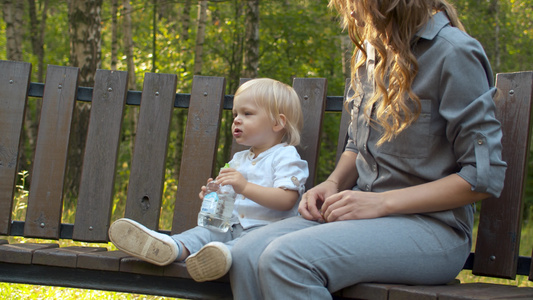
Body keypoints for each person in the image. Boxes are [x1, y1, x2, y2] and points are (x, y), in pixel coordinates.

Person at [229, 1, 507, 299]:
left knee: (286, 259)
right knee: (245, 253)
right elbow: (356, 145)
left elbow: (482, 177)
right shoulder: (372, 53)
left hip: (434, 229)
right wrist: (333, 183)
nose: (349, 14)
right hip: (363, 219)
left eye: (354, 4)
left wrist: (381, 203)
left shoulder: (454, 53)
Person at [108, 78, 309, 283]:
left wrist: (245, 186)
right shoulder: (238, 160)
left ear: (278, 122)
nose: (237, 120)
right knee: (203, 233)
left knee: (240, 247)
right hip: (228, 227)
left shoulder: (285, 156)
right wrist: (214, 196)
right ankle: (171, 247)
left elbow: (287, 199)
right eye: (235, 114)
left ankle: (216, 258)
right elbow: (229, 197)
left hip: (265, 232)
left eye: (247, 114)